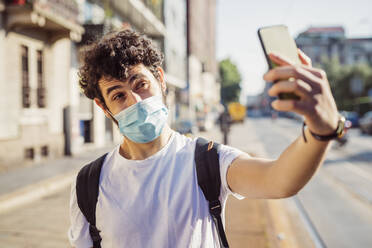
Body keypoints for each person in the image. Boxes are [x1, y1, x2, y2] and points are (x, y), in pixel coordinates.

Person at [68, 29, 345, 247]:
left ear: (160, 80)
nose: (135, 102)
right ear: (104, 108)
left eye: (141, 84)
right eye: (118, 96)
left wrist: (321, 130)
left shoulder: (208, 160)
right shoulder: (89, 184)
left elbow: (279, 179)